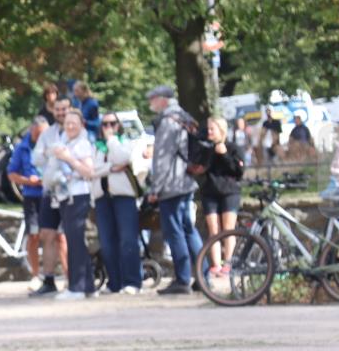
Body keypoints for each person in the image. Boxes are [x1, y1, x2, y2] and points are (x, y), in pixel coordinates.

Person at [146, 84, 203, 295]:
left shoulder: (168, 122)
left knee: (175, 232)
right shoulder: (184, 117)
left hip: (171, 184)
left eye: (152, 98)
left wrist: (155, 189)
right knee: (189, 229)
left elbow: (161, 159)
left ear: (163, 99)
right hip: (185, 182)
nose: (150, 103)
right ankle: (203, 276)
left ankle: (182, 279)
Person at [90, 111, 149, 295]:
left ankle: (132, 281)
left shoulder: (126, 143)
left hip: (124, 197)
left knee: (127, 240)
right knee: (107, 242)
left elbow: (124, 158)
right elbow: (91, 170)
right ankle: (114, 282)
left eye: (112, 124)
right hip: (102, 198)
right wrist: (111, 168)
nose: (108, 128)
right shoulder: (96, 147)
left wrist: (112, 140)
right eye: (105, 124)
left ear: (118, 125)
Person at [50, 109, 96, 300]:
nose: (70, 126)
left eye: (73, 123)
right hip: (65, 196)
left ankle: (77, 287)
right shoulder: (64, 142)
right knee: (74, 240)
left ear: (81, 125)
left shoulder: (83, 144)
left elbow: (89, 171)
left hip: (78, 195)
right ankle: (88, 285)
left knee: (75, 241)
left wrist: (68, 159)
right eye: (67, 123)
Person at [30, 96, 71, 296]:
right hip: (50, 191)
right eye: (58, 110)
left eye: (64, 109)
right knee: (46, 235)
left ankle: (73, 279)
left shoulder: (76, 131)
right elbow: (36, 157)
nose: (61, 113)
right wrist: (50, 152)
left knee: (68, 236)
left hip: (71, 191)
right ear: (53, 111)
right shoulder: (47, 134)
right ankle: (49, 280)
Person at [7, 116, 49, 284]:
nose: (42, 138)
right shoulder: (22, 148)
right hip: (31, 197)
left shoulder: (50, 144)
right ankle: (35, 275)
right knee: (33, 235)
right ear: (32, 130)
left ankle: (52, 274)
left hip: (49, 195)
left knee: (54, 236)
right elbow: (12, 174)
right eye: (39, 134)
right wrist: (27, 181)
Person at [200, 117, 244, 276]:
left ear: (222, 131)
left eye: (212, 129)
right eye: (208, 129)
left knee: (228, 229)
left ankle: (228, 263)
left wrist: (224, 155)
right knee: (213, 230)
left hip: (229, 192)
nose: (209, 132)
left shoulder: (234, 148)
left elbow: (238, 171)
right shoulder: (207, 149)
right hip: (210, 192)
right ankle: (216, 265)